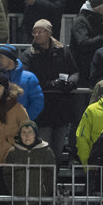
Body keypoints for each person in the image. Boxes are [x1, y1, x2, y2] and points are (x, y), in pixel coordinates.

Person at [24, 21, 80, 154]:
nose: (36, 35)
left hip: (61, 109)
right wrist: (50, 84)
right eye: (34, 32)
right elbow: (27, 79)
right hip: (42, 110)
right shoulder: (29, 54)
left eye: (39, 32)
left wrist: (71, 83)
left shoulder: (63, 51)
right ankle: (46, 175)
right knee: (45, 150)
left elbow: (75, 72)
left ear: (49, 33)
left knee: (58, 149)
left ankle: (55, 174)